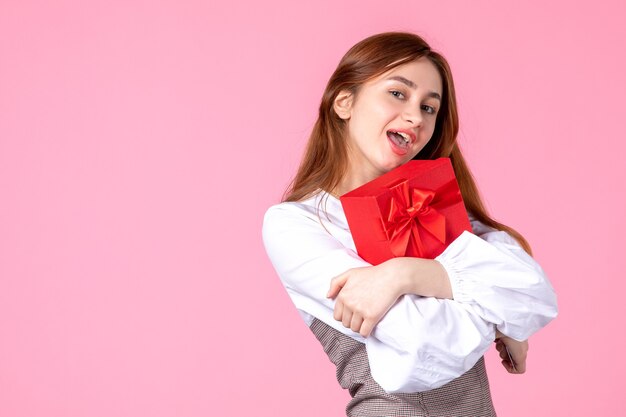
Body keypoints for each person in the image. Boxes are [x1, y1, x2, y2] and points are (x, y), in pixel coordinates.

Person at [262, 32, 558, 416]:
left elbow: (535, 292)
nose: (416, 117)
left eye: (429, 108)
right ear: (344, 101)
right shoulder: (296, 224)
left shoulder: (436, 204)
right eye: (398, 94)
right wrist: (503, 318)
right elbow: (424, 344)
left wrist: (404, 274)